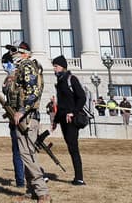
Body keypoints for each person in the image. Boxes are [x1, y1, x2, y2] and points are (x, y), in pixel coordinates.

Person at [3, 43, 50, 202]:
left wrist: (21, 111)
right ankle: (32, 191)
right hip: (23, 117)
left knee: (27, 154)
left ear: (25, 53)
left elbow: (33, 92)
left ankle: (42, 192)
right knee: (27, 154)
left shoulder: (27, 66)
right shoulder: (20, 68)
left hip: (27, 118)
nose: (12, 54)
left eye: (14, 50)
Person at [51, 55, 86, 186]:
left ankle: (79, 178)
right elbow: (61, 105)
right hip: (63, 119)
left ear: (63, 67)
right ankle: (77, 177)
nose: (54, 69)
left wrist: (73, 112)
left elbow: (82, 97)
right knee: (71, 147)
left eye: (56, 66)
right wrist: (55, 120)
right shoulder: (60, 81)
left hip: (72, 119)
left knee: (73, 147)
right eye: (54, 66)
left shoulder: (72, 79)